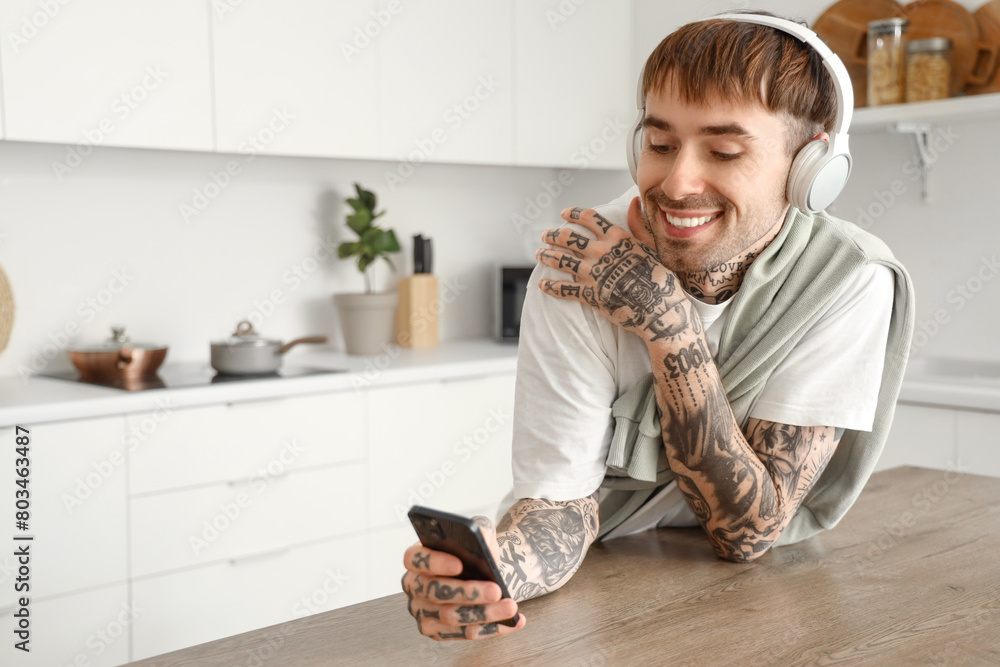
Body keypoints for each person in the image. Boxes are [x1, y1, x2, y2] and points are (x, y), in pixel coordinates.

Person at [400, 11, 914, 641]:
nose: (676, 183)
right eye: (660, 143)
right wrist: (496, 570)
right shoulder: (583, 261)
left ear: (811, 169)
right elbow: (559, 501)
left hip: (756, 596)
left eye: (724, 151)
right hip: (603, 578)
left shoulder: (848, 279)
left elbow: (748, 532)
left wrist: (666, 324)